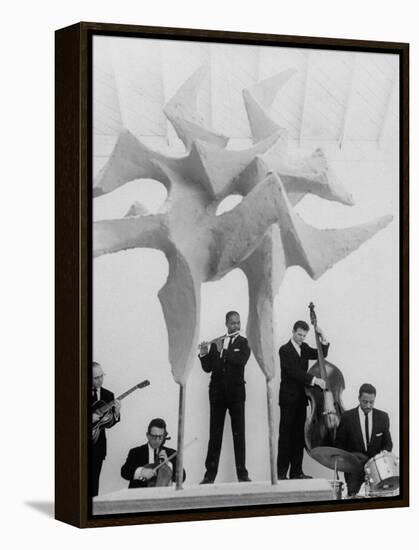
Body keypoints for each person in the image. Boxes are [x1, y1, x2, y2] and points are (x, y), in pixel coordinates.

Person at [198, 311, 251, 484]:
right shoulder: (216, 343)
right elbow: (208, 368)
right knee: (215, 435)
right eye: (232, 323)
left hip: (236, 395)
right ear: (226, 324)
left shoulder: (244, 343)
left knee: (239, 435)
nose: (236, 326)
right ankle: (209, 475)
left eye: (238, 322)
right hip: (217, 395)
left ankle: (242, 475)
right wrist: (204, 353)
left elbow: (240, 360)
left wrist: (224, 351)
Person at [277, 320, 328, 480]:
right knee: (285, 437)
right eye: (299, 334)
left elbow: (321, 355)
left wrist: (322, 338)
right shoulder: (284, 350)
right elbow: (293, 372)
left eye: (304, 336)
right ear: (293, 332)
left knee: (299, 436)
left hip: (301, 399)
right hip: (287, 399)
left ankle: (296, 472)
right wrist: (315, 380)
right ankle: (281, 474)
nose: (301, 338)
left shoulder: (304, 348)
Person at [334, 383, 393, 497]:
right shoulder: (347, 417)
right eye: (365, 402)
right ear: (359, 399)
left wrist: (385, 452)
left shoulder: (383, 417)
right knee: (353, 499)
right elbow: (339, 443)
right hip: (353, 469)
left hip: (377, 469)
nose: (368, 405)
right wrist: (347, 459)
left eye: (372, 402)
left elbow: (388, 443)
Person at [121, 418, 184, 488]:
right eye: (154, 437)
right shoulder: (135, 452)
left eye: (160, 437)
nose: (157, 441)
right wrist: (141, 472)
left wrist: (168, 464)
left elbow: (182, 477)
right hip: (139, 495)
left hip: (161, 496)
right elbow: (124, 472)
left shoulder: (171, 453)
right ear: (147, 435)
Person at [91, 361, 120, 497]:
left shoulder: (109, 395)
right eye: (96, 378)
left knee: (94, 483)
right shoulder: (77, 391)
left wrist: (116, 413)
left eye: (102, 375)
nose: (101, 379)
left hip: (98, 446)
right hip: (78, 445)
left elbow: (109, 424)